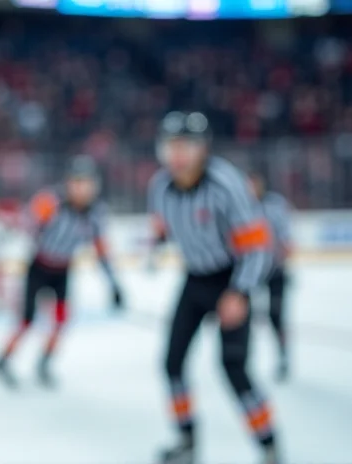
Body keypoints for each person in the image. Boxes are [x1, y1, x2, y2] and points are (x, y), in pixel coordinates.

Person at [148, 112, 279, 464]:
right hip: (194, 279)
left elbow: (258, 247)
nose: (178, 154)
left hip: (231, 278)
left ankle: (268, 444)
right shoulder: (160, 186)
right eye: (171, 145)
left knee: (234, 369)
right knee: (172, 364)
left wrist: (240, 292)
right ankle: (187, 440)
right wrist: (155, 243)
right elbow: (163, 224)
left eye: (186, 145)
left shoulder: (226, 184)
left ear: (203, 148)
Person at [0, 155, 124, 388]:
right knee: (27, 319)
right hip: (39, 266)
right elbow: (26, 223)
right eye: (76, 182)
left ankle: (45, 361)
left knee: (62, 319)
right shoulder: (50, 202)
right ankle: (3, 359)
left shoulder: (95, 214)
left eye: (86, 183)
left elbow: (101, 251)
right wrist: (12, 229)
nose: (81, 189)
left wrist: (114, 285)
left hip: (63, 269)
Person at [248, 172, 294, 381]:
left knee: (276, 316)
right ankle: (242, 357)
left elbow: (286, 239)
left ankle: (283, 356)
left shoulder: (275, 205)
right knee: (243, 316)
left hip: (274, 271)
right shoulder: (239, 206)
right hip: (250, 272)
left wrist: (282, 261)